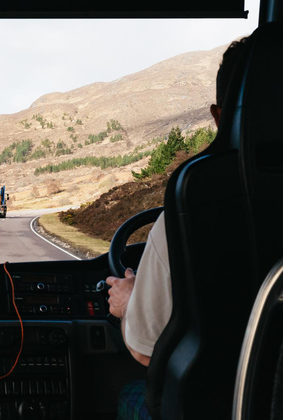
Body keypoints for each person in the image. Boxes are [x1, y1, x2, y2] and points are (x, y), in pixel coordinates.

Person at [106, 37, 250, 417]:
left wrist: (127, 303)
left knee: (129, 399)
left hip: (214, 407)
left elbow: (143, 349)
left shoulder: (195, 205)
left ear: (220, 116)